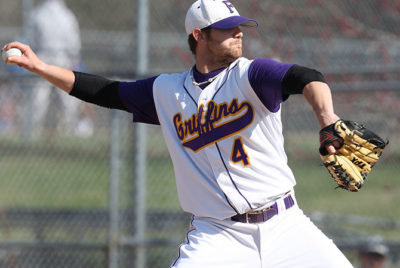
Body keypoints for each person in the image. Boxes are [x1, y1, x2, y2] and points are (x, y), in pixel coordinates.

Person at [2, 0, 354, 266]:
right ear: (199, 36)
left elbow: (306, 77)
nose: (239, 33)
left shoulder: (251, 75)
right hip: (219, 234)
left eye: (239, 26)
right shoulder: (167, 93)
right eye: (227, 28)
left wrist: (327, 118)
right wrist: (40, 66)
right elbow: (106, 92)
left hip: (286, 225)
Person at [26, 0, 93, 137]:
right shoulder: (67, 16)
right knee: (67, 97)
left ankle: (31, 131)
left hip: (43, 59)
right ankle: (69, 130)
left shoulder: (38, 14)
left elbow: (31, 40)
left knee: (39, 97)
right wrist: (73, 60)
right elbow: (74, 43)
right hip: (61, 59)